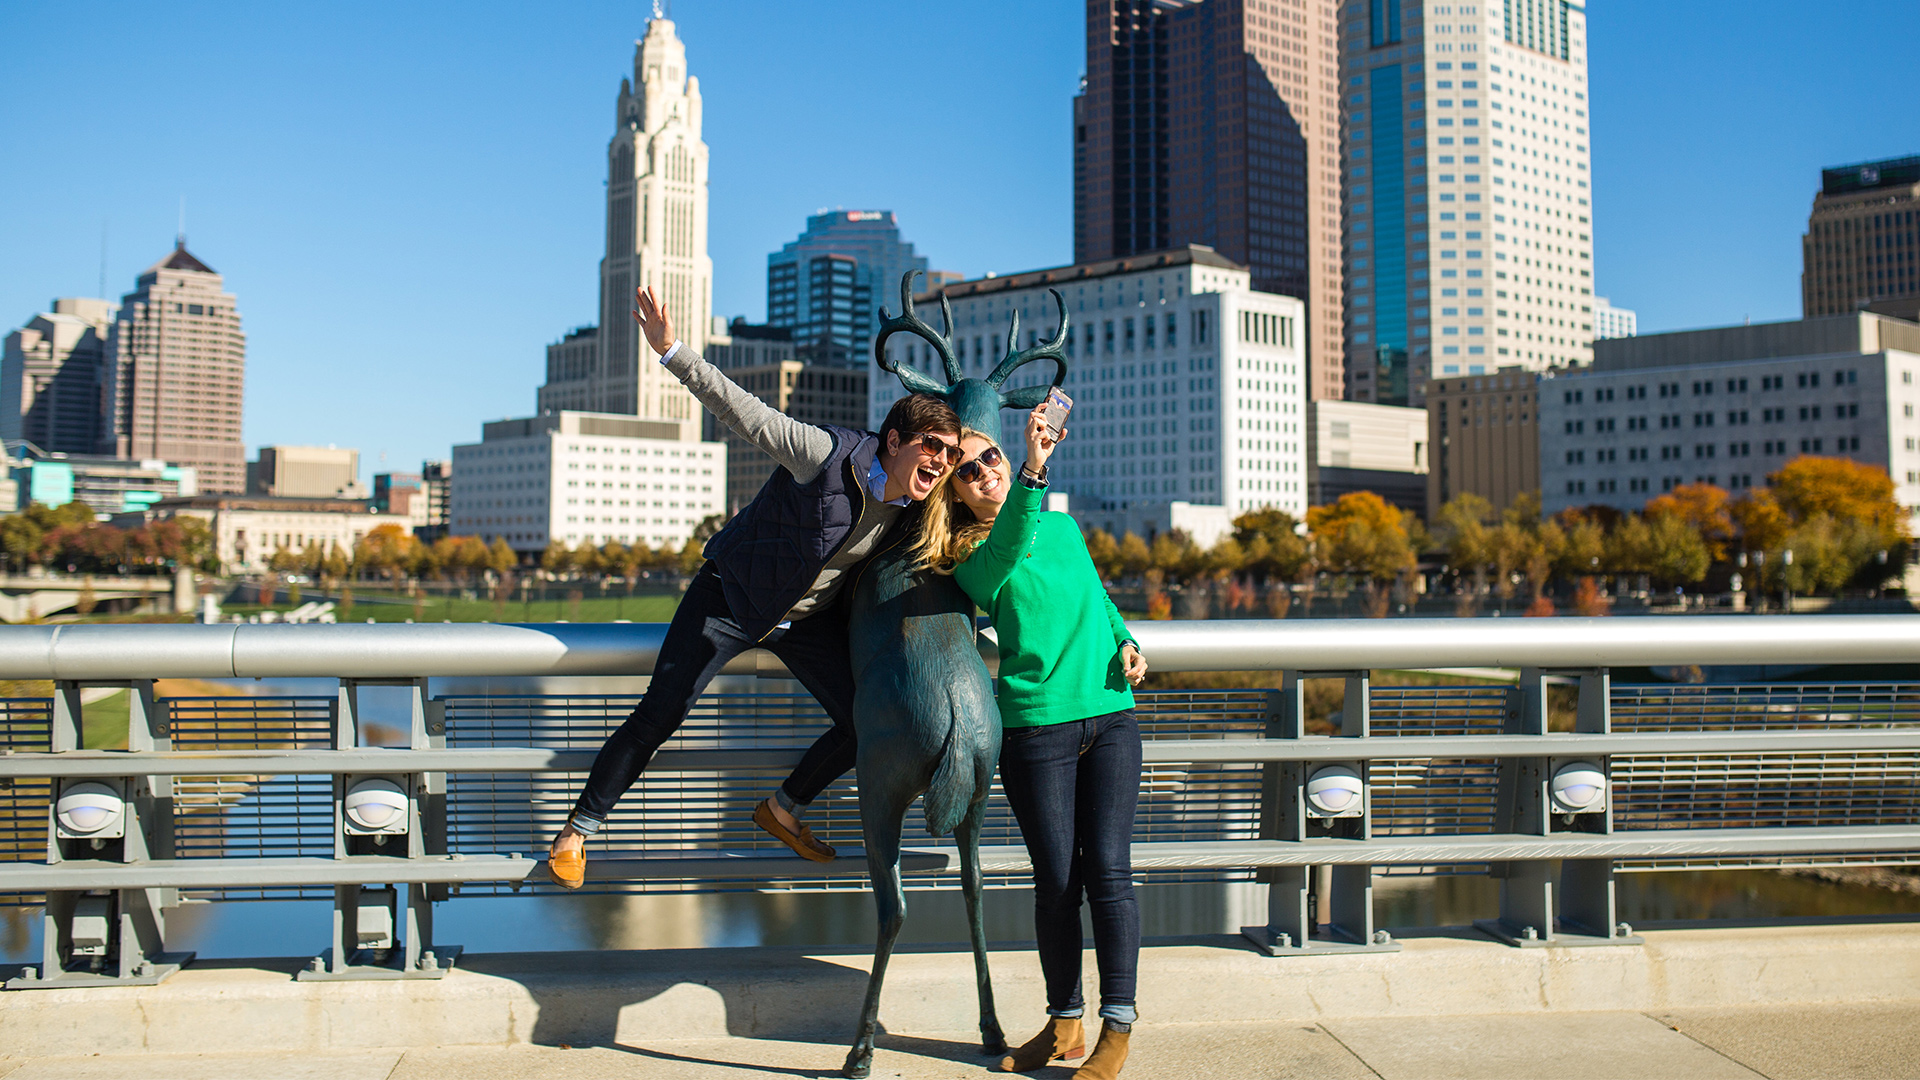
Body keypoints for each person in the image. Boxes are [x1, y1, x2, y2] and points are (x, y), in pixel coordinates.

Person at [546, 286, 965, 888]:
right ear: (895, 441)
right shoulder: (824, 455)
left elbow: (983, 496)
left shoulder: (919, 503)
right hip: (730, 598)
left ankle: (782, 810)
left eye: (950, 455)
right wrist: (671, 351)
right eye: (933, 447)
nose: (943, 462)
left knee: (864, 719)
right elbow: (744, 411)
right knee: (661, 714)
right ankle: (576, 831)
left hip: (803, 620)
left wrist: (1031, 463)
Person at [910, 405, 1148, 1080]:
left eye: (992, 458)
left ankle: (1117, 1026)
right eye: (968, 468)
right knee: (1056, 882)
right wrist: (1034, 473)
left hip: (1111, 717)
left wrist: (1127, 640)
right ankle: (1065, 1019)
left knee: (1108, 871)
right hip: (1037, 728)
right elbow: (1010, 547)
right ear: (954, 493)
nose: (986, 469)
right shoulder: (970, 560)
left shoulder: (1065, 527)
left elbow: (1096, 598)